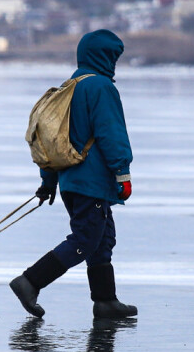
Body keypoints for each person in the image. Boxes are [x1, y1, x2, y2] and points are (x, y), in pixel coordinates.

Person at [10, 29, 138, 320]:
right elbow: (111, 133)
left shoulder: (70, 86)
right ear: (104, 57)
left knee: (102, 238)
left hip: (71, 181)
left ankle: (105, 301)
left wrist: (48, 182)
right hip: (90, 181)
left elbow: (52, 139)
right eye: (113, 57)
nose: (114, 63)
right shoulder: (101, 88)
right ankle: (30, 281)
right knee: (86, 239)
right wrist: (123, 174)